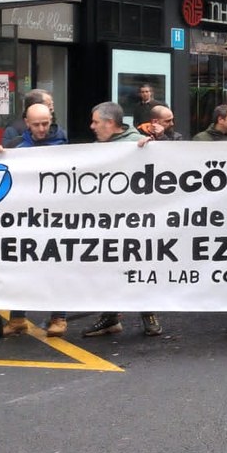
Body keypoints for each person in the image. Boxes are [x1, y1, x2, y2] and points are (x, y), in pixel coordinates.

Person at [0, 102, 70, 337]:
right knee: (20, 266)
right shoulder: (14, 145)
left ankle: (59, 318)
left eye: (45, 123)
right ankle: (17, 319)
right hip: (24, 220)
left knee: (56, 267)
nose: (42, 129)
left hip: (55, 218)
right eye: (36, 125)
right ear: (26, 123)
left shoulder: (65, 145)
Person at [81, 104, 161, 340]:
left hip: (136, 220)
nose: (92, 126)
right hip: (106, 220)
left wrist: (153, 148)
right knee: (109, 267)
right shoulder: (97, 147)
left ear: (110, 123)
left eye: (96, 122)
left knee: (139, 266)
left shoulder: (137, 142)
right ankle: (110, 316)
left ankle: (149, 314)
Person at [0, 89, 65, 147]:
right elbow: (8, 156)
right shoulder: (13, 132)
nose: (41, 129)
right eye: (49, 105)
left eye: (45, 124)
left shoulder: (60, 134)